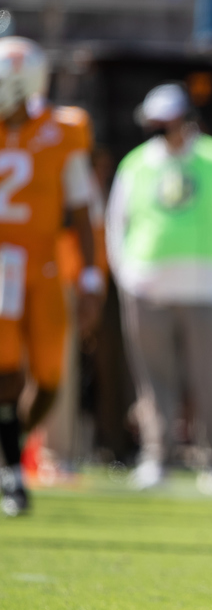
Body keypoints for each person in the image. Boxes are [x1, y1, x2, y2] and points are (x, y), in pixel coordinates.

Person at [106, 83, 212, 490]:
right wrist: (126, 276)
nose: (161, 130)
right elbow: (117, 225)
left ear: (185, 120)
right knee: (154, 381)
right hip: (148, 287)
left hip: (206, 286)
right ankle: (156, 457)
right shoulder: (135, 163)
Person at [0, 37, 103, 516]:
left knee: (49, 378)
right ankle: (12, 472)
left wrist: (90, 277)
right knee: (6, 374)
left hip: (41, 266)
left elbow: (82, 210)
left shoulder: (63, 130)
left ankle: (10, 444)